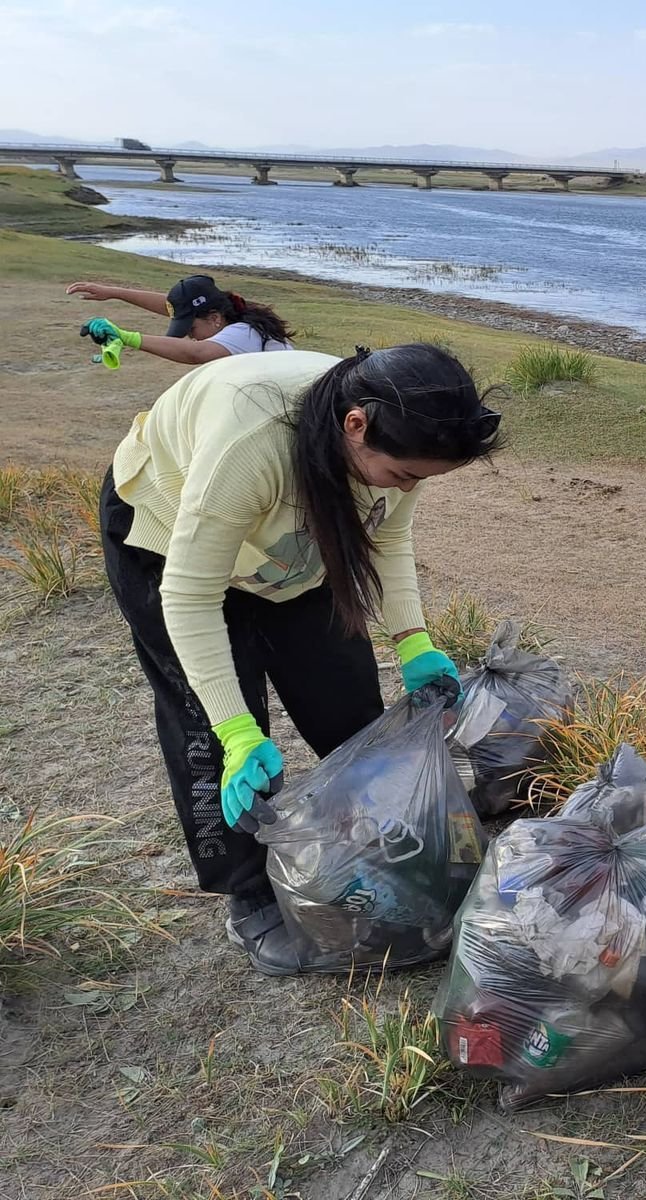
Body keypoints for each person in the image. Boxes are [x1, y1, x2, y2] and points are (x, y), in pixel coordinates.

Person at [99, 344, 501, 976]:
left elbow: (388, 535)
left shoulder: (389, 435)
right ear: (355, 425)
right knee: (211, 728)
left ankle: (386, 846)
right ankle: (251, 897)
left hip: (285, 551)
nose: (410, 488)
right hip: (171, 538)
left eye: (423, 479)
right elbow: (190, 593)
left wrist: (413, 641)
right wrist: (237, 731)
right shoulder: (252, 442)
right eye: (405, 474)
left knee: (347, 702)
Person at [71, 273, 294, 365]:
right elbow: (175, 307)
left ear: (215, 318)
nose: (190, 335)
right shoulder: (235, 316)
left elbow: (195, 353)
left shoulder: (243, 333)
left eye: (191, 328)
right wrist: (114, 293)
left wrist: (126, 338)